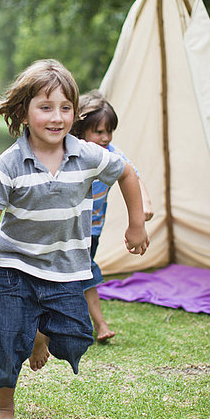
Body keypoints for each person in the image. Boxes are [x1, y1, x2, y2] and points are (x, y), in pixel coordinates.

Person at [0, 59, 149, 419]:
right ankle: (4, 406)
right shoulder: (10, 163)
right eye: (45, 107)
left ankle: (40, 333)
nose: (56, 117)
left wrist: (136, 223)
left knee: (76, 335)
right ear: (24, 112)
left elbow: (126, 172)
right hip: (14, 268)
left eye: (65, 108)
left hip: (66, 269)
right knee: (8, 342)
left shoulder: (87, 154)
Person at [71, 90, 153, 341]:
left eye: (109, 131)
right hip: (69, 230)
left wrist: (145, 204)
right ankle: (100, 324)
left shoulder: (112, 154)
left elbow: (132, 175)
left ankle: (78, 325)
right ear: (81, 130)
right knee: (85, 273)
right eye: (99, 131)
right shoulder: (71, 152)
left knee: (81, 275)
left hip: (92, 230)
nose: (106, 137)